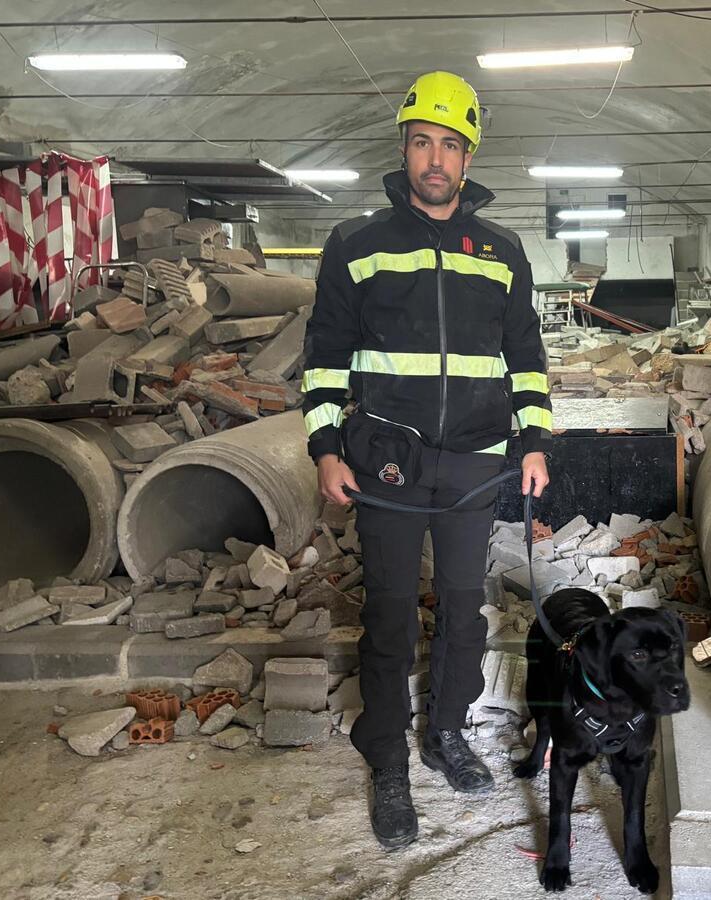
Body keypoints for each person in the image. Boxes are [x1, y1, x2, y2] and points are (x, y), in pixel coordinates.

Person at [299, 70, 552, 851]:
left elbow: (526, 354)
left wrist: (535, 439)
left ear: (468, 158)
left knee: (463, 610)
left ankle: (446, 732)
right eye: (421, 142)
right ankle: (386, 760)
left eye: (449, 144)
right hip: (388, 464)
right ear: (403, 150)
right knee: (387, 614)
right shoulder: (358, 244)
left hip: (476, 461)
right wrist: (325, 447)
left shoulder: (504, 250)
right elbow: (325, 356)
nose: (434, 158)